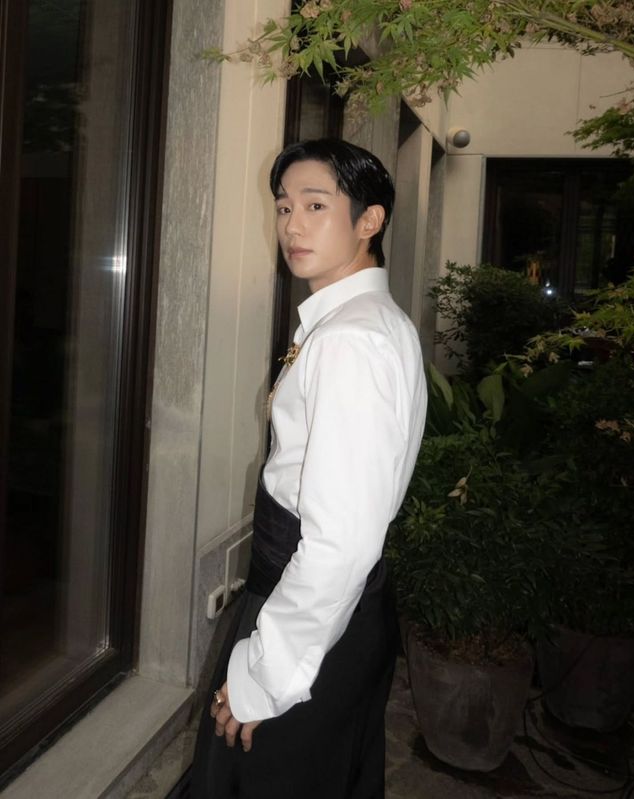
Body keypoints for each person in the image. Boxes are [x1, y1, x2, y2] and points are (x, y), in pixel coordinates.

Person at [191, 138, 427, 798]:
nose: (293, 224)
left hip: (311, 611)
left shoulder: (350, 340)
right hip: (334, 607)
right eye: (283, 206)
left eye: (316, 205)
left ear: (369, 219)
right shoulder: (362, 319)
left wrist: (263, 677)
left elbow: (340, 541)